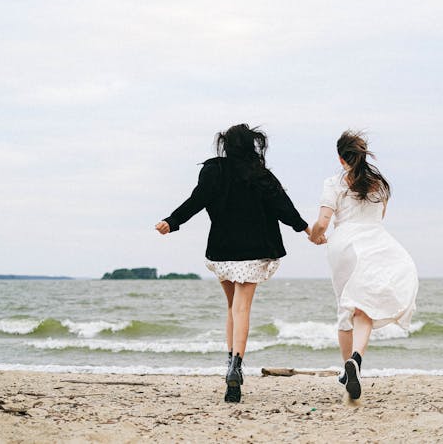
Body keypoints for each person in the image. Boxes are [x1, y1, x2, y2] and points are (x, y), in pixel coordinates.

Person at [156, 124, 310, 403]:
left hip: (223, 250)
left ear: (226, 145)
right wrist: (305, 228)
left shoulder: (213, 171)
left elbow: (197, 200)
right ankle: (236, 365)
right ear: (251, 146)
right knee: (242, 308)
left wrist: (172, 221)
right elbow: (282, 205)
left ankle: (230, 364)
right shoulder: (260, 174)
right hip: (253, 250)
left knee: (231, 307)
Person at [309, 131, 418, 400]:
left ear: (340, 156)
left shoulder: (334, 182)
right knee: (365, 306)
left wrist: (315, 236)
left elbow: (323, 223)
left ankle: (349, 368)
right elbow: (379, 217)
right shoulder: (380, 185)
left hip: (345, 245)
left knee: (345, 307)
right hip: (377, 243)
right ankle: (355, 361)